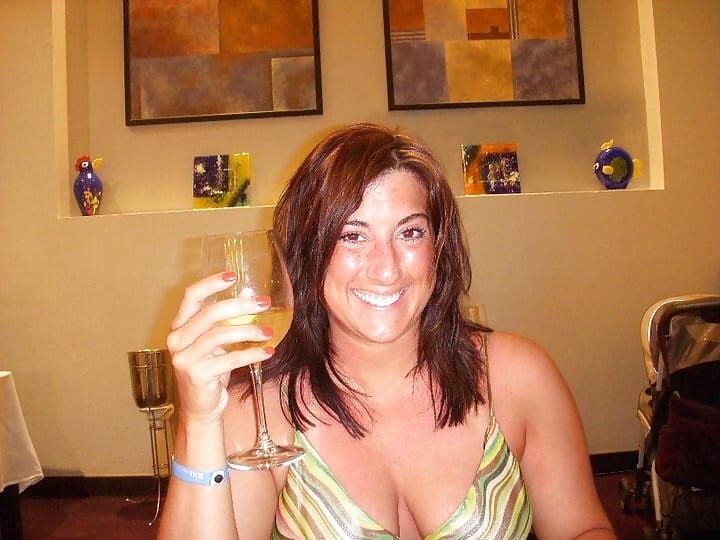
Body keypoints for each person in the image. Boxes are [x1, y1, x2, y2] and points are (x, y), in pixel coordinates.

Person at [158, 124, 616, 539]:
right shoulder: (261, 412)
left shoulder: (519, 376)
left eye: (409, 233)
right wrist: (199, 423)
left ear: (439, 246)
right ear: (309, 251)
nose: (386, 269)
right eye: (352, 236)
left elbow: (582, 528)